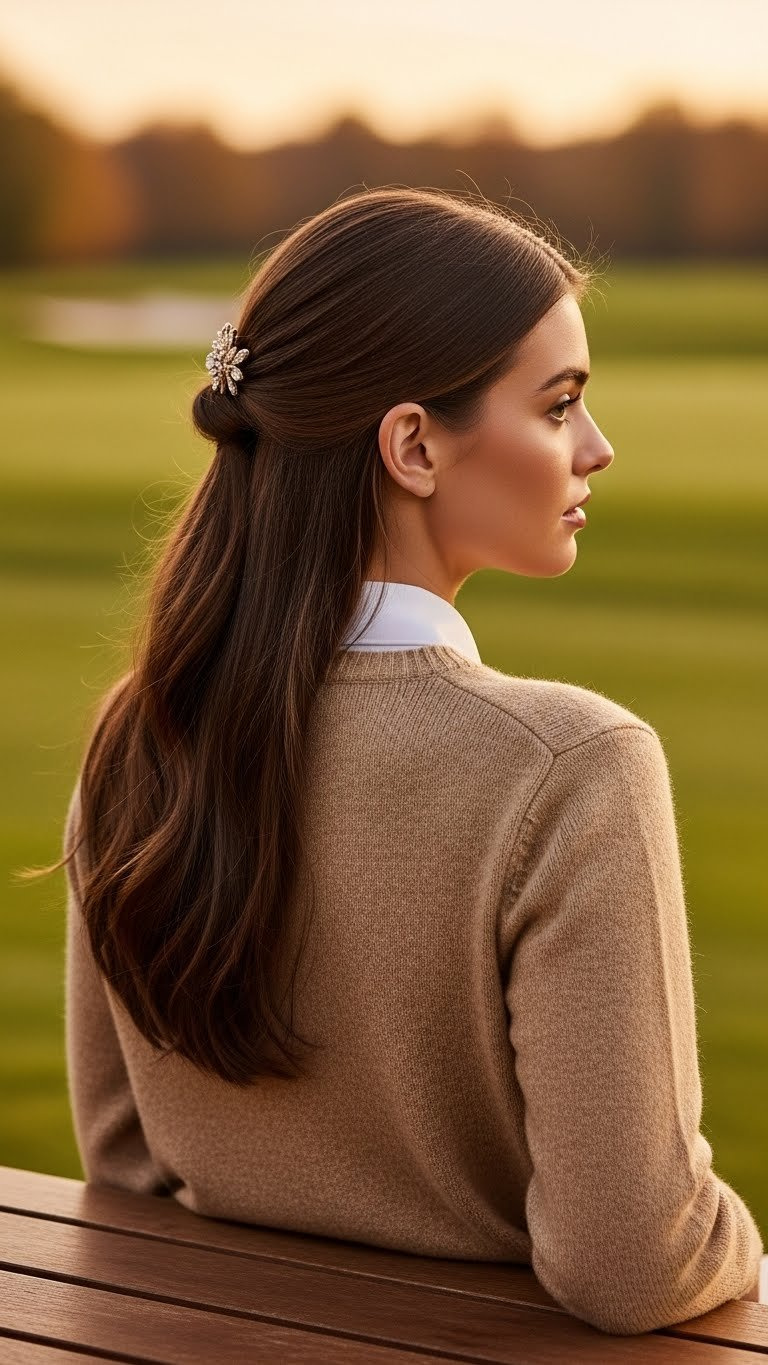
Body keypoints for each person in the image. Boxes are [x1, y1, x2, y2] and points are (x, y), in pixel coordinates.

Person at [56, 187, 763, 1335]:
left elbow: (127, 1172)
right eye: (560, 404)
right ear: (414, 446)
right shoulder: (576, 765)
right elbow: (637, 1258)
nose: (597, 447)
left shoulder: (141, 733)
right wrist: (741, 1242)